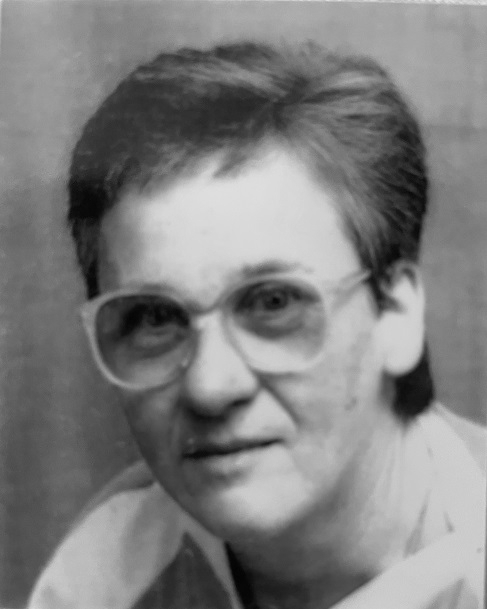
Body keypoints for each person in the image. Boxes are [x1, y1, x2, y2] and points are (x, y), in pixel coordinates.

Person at [28, 41, 485, 609]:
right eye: (154, 317)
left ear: (395, 312)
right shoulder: (107, 578)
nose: (210, 387)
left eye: (273, 302)